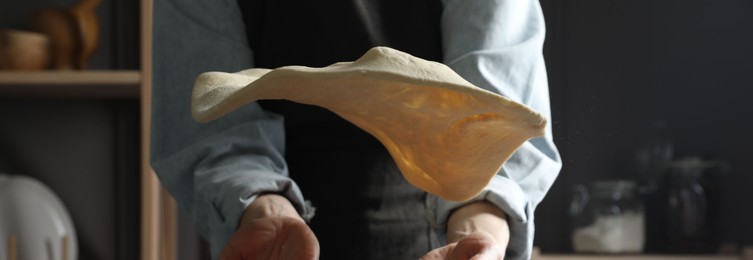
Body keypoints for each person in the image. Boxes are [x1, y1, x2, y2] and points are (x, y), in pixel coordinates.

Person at [152, 0, 561, 259]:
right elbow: (215, 127)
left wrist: (479, 232)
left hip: (435, 240)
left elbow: (492, 119)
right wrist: (263, 210)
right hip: (275, 244)